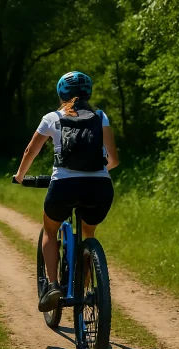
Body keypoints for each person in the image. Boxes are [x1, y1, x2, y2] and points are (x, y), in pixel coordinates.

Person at [13, 71, 119, 312]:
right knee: (88, 232)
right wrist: (99, 169)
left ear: (61, 93)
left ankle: (52, 286)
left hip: (64, 186)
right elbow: (113, 159)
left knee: (50, 230)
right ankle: (84, 283)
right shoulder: (101, 117)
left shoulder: (52, 118)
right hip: (100, 188)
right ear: (88, 92)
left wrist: (20, 177)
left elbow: (31, 151)